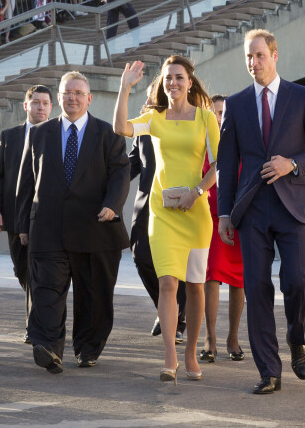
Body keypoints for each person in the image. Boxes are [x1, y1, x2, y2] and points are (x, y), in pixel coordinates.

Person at [216, 28, 305, 394]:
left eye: (259, 55)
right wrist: (224, 213)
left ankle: (296, 338)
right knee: (256, 288)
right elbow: (226, 161)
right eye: (248, 57)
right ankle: (269, 370)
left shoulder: (303, 97)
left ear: (275, 55)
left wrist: (293, 164)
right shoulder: (235, 105)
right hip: (251, 209)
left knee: (297, 281)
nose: (253, 63)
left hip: (293, 206)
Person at [114, 55, 220, 384]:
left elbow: (219, 164)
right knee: (167, 283)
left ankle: (191, 351)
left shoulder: (206, 118)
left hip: (195, 213)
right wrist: (124, 87)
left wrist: (198, 191)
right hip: (162, 214)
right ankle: (170, 356)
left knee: (196, 287)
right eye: (167, 78)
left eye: (178, 77)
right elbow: (121, 128)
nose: (172, 82)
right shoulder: (154, 117)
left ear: (190, 82)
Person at [15, 71, 130, 374]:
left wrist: (112, 204)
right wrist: (23, 226)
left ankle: (88, 349)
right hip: (49, 228)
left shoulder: (108, 134)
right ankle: (50, 349)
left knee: (94, 295)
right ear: (59, 97)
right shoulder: (40, 133)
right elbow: (27, 182)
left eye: (79, 93)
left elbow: (120, 173)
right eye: (67, 92)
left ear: (89, 98)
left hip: (95, 228)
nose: (73, 98)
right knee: (47, 290)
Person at [0, 85, 53, 333]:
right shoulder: (9, 136)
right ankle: (37, 315)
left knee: (42, 274)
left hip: (46, 218)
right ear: (26, 106)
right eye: (36, 102)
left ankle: (35, 324)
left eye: (45, 103)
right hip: (15, 216)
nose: (41, 107)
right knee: (22, 270)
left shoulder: (56, 134)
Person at [128, 82, 186, 343]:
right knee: (141, 257)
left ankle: (177, 316)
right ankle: (166, 309)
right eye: (156, 92)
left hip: (178, 204)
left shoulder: (185, 121)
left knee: (179, 266)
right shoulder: (144, 125)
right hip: (146, 206)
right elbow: (131, 163)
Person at [199, 95, 245, 365]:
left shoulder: (240, 145)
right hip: (209, 219)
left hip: (238, 219)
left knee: (239, 280)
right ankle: (210, 338)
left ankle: (233, 338)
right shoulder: (200, 146)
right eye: (215, 112)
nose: (219, 117)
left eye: (223, 113)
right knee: (212, 276)